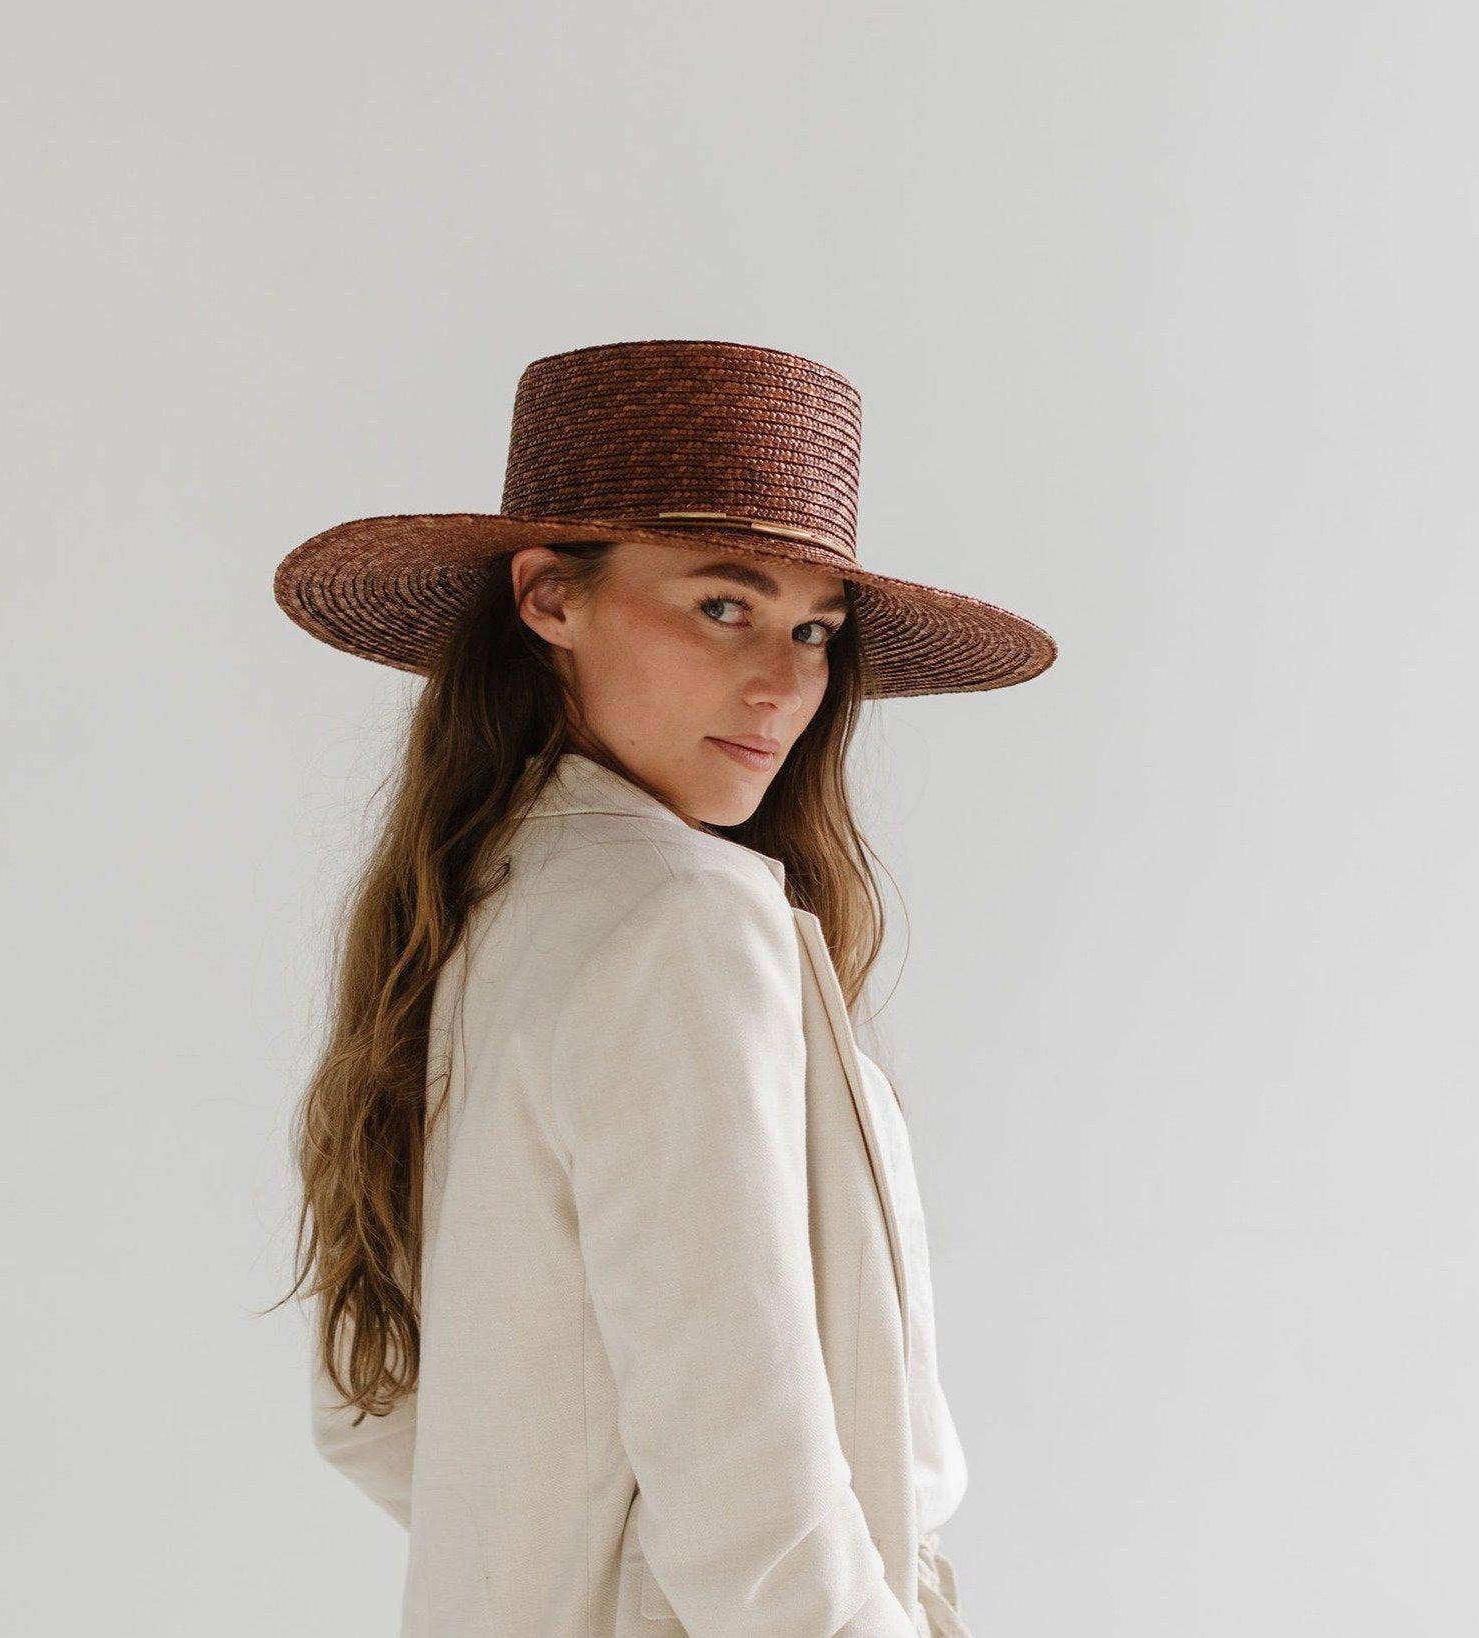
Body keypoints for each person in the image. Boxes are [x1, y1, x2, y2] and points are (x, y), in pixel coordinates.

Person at [268, 339, 1056, 1636]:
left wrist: (548, 1554)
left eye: (814, 628)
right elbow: (755, 1519)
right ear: (548, 597)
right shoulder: (681, 920)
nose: (783, 683)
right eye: (723, 605)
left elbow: (373, 1407)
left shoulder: (467, 909)